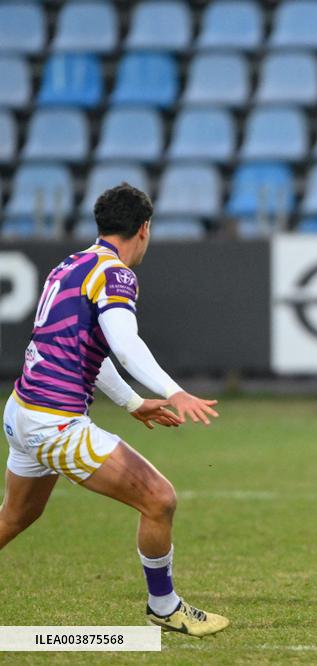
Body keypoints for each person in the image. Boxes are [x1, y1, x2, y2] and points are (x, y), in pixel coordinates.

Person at [1, 184, 229, 637]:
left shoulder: (70, 264)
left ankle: (164, 606)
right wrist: (174, 391)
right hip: (56, 424)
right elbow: (125, 346)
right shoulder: (115, 274)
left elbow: (89, 350)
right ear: (144, 229)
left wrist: (132, 401)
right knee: (159, 499)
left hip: (21, 412)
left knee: (15, 517)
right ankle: (164, 607)